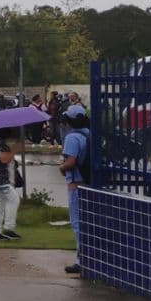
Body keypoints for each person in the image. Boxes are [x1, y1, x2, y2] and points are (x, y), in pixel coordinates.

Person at [59, 105, 91, 274]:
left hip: (76, 184)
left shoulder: (72, 137)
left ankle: (82, 261)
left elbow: (70, 162)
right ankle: (91, 258)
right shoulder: (89, 133)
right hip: (89, 183)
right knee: (89, 223)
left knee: (78, 224)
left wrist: (61, 168)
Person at [0, 128, 22, 240]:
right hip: (0, 179)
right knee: (14, 199)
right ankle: (8, 228)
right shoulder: (0, 145)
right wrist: (15, 149)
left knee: (0, 204)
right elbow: (4, 159)